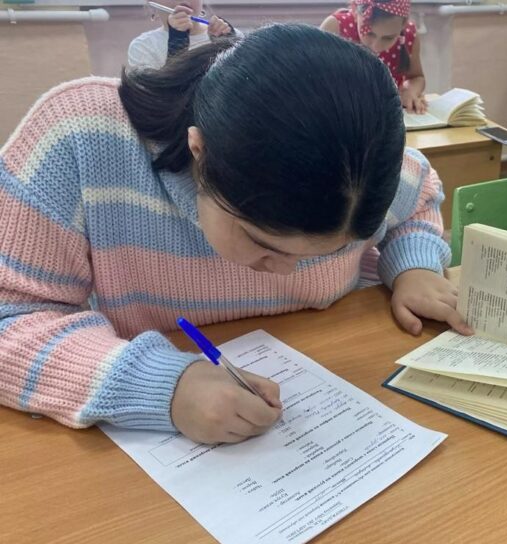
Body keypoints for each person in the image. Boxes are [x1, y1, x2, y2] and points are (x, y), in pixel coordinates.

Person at [0, 24, 468, 446]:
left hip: (335, 364)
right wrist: (163, 387)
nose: (289, 271)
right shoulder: (80, 137)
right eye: (264, 245)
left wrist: (414, 267)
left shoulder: (357, 160)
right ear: (199, 151)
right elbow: (12, 321)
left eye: (331, 249)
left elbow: (419, 197)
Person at [321, 0, 427, 114]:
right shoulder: (334, 28)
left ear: (403, 24)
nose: (376, 46)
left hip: (387, 115)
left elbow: (417, 77)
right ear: (355, 13)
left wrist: (410, 91)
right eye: (369, 33)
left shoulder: (409, 35)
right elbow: (314, 81)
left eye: (388, 38)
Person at [127, 0, 238, 69]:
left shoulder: (230, 34)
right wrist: (177, 46)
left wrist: (231, 47)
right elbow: (155, 95)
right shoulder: (143, 46)